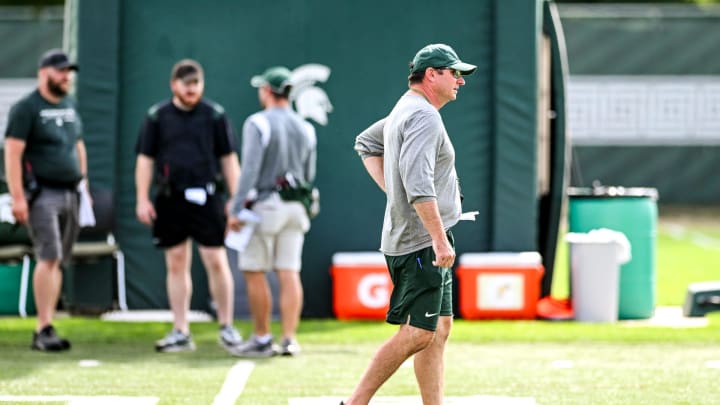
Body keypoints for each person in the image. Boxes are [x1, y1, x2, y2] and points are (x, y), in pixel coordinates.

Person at [345, 44, 476, 404]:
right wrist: (438, 238)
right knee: (419, 332)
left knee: (439, 328)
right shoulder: (423, 115)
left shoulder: (409, 106)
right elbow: (419, 186)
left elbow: (366, 143)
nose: (460, 80)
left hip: (424, 236)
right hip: (421, 241)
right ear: (431, 75)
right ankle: (354, 402)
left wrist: (393, 192)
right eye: (454, 73)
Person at [134, 59, 243, 353]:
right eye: (186, 84)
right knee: (176, 262)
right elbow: (145, 159)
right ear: (174, 85)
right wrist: (142, 198)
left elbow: (229, 158)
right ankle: (180, 330)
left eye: (196, 84)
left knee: (216, 261)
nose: (192, 89)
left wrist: (236, 198)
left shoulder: (214, 115)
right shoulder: (157, 116)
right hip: (170, 199)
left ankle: (227, 326)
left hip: (207, 198)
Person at [227, 66, 317, 357]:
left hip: (266, 206)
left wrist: (236, 207)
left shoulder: (258, 122)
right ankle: (289, 338)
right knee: (289, 271)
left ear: (267, 91)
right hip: (296, 208)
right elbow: (308, 174)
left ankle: (262, 337)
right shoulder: (306, 127)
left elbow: (249, 171)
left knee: (254, 270)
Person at [3, 49, 87, 352]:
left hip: (70, 192)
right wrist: (18, 197)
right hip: (42, 194)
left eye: (68, 72)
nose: (66, 77)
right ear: (44, 72)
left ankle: (49, 323)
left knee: (58, 260)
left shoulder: (70, 104)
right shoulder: (27, 108)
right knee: (48, 256)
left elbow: (78, 145)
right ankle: (42, 327)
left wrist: (84, 182)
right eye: (60, 71)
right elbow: (12, 153)